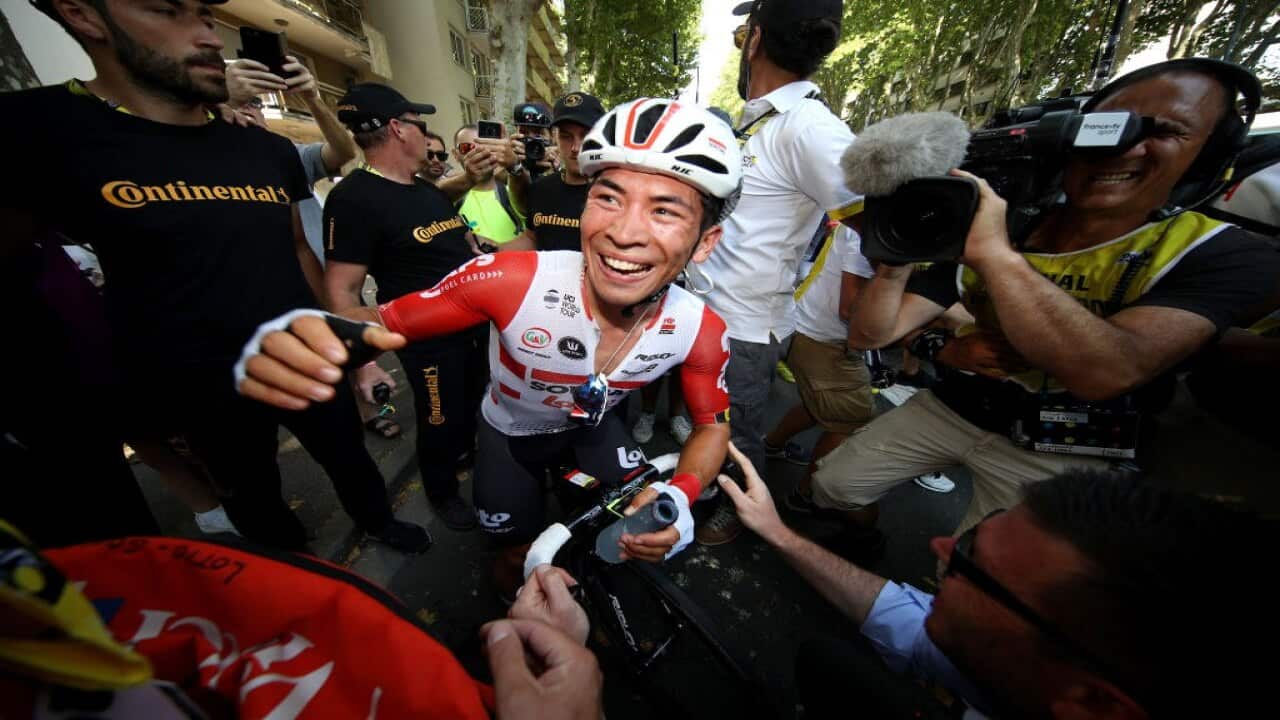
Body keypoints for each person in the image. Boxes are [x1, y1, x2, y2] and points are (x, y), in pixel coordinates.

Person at [235, 97, 741, 599]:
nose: (623, 233)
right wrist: (297, 335)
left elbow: (711, 427)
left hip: (591, 433)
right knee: (512, 561)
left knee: (625, 526)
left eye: (665, 211)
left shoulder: (700, 328)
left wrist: (681, 491)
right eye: (607, 198)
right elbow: (375, 319)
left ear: (705, 242)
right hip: (508, 437)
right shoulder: (508, 281)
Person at [5, 0, 430, 553]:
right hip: (198, 386)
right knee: (254, 495)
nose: (207, 35)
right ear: (83, 17)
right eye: (168, 11)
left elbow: (298, 247)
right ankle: (294, 571)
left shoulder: (264, 148)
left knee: (349, 456)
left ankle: (379, 521)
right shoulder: (39, 129)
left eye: (206, 16)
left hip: (302, 355)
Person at [825, 58, 1280, 546]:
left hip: (1074, 450)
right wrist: (902, 272)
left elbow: (1106, 370)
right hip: (956, 409)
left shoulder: (1220, 252)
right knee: (833, 484)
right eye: (1104, 129)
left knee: (976, 572)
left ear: (1209, 156)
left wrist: (997, 256)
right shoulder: (1006, 221)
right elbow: (868, 336)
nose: (1124, 147)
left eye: (1165, 132)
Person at [719, 443, 1272, 718]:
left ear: (1094, 705)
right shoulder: (1038, 663)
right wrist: (780, 534)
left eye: (970, 564)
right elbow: (908, 622)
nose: (939, 546)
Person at [696, 0, 861, 546]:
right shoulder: (764, 121)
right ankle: (712, 480)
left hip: (746, 328)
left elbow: (871, 220)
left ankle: (739, 512)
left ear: (755, 39)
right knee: (714, 422)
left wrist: (855, 300)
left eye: (743, 30)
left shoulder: (809, 128)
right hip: (712, 312)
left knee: (738, 433)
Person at [322, 82, 492, 530]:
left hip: (476, 328)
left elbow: (433, 228)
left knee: (476, 403)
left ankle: (468, 455)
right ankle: (441, 491)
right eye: (420, 124)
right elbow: (341, 291)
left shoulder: (426, 189)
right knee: (438, 417)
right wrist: (363, 363)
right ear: (398, 129)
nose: (425, 133)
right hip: (427, 344)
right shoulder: (352, 199)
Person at [755, 222, 877, 517]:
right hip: (827, 340)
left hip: (812, 328)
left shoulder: (869, 218)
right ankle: (806, 495)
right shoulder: (873, 228)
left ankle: (771, 445)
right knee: (850, 420)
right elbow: (850, 309)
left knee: (819, 402)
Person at [504, 91, 606, 252]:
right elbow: (532, 238)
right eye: (566, 136)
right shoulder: (540, 189)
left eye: (585, 136)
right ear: (555, 137)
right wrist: (492, 248)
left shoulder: (614, 193)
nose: (576, 148)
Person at [454, 124, 526, 248]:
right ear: (455, 155)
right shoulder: (449, 202)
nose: (477, 153)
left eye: (485, 147)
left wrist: (515, 165)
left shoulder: (513, 192)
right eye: (467, 148)